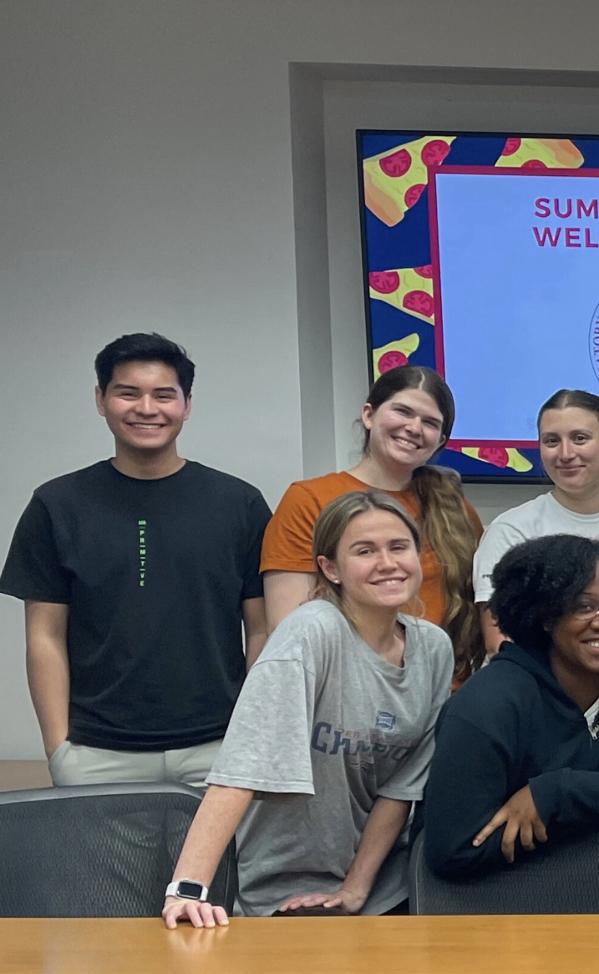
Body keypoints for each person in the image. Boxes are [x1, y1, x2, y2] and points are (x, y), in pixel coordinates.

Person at [160, 492, 453, 925]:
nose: (388, 563)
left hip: (381, 883)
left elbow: (400, 789)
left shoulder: (433, 647)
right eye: (364, 551)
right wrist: (186, 890)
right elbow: (243, 766)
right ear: (330, 569)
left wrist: (355, 889)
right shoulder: (310, 633)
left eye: (398, 547)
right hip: (282, 889)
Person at [2, 333, 270, 788]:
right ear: (101, 400)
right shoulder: (56, 504)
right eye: (128, 392)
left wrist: (251, 734)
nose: (147, 408)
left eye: (164, 395)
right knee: (103, 865)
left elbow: (262, 628)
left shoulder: (239, 503)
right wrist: (59, 749)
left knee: (222, 864)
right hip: (97, 752)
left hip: (219, 746)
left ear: (186, 405)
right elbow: (44, 636)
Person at [422, 537, 599, 879]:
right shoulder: (488, 704)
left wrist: (554, 794)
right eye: (583, 606)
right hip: (492, 910)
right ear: (547, 615)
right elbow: (453, 850)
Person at [259, 365, 482, 680]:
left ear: (441, 440)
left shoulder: (456, 509)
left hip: (444, 699)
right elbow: (289, 631)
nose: (414, 427)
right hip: (350, 704)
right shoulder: (309, 500)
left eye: (429, 422)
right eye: (402, 411)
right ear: (368, 415)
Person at [472, 390, 599, 654]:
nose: (565, 453)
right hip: (534, 689)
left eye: (580, 439)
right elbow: (498, 640)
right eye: (552, 441)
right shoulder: (511, 530)